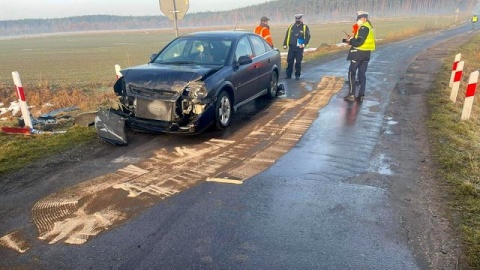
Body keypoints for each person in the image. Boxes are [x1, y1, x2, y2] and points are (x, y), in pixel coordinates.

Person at [343, 11, 375, 102]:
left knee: (351, 73)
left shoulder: (364, 27)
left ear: (365, 18)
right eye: (358, 18)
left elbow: (359, 42)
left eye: (360, 18)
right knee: (362, 74)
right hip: (366, 54)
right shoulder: (370, 27)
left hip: (358, 54)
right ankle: (361, 95)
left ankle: (351, 94)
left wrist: (351, 40)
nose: (359, 20)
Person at [283, 14, 311, 79]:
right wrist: (285, 44)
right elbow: (287, 36)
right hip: (291, 48)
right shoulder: (291, 27)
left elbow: (308, 37)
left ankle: (297, 75)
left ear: (301, 19)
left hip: (299, 48)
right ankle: (288, 75)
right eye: (296, 19)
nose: (298, 20)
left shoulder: (304, 27)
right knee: (290, 61)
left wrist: (304, 44)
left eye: (299, 19)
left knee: (298, 62)